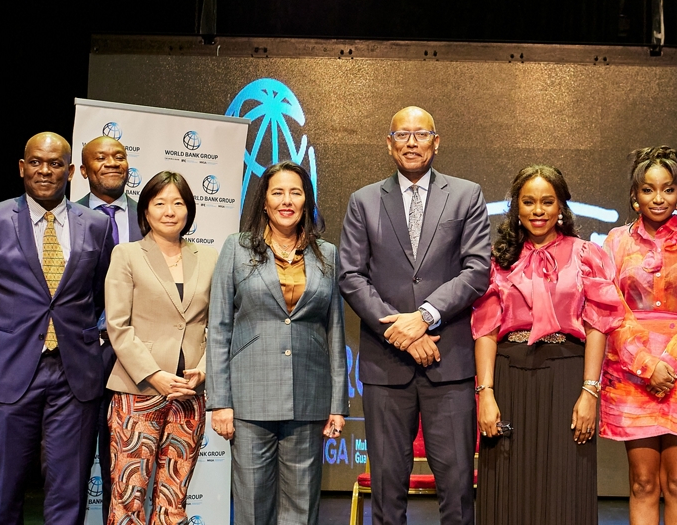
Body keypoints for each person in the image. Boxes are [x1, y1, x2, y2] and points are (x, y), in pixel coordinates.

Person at [338, 106, 491, 525]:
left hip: (449, 363)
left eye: (420, 134)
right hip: (386, 366)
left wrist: (424, 316)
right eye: (401, 135)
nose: (411, 142)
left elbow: (477, 270)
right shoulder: (364, 201)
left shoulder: (466, 195)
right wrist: (401, 332)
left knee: (458, 493)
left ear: (436, 142)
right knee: (387, 495)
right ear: (389, 144)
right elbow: (350, 276)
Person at [0, 132, 115, 525]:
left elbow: (100, 293)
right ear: (22, 167)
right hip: (8, 371)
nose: (45, 171)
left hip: (75, 375)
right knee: (4, 491)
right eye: (37, 162)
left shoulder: (96, 225)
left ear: (71, 171)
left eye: (55, 163)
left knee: (69, 493)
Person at [471, 164, 622, 525]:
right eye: (528, 202)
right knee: (508, 489)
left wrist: (590, 392)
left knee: (564, 487)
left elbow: (598, 326)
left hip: (567, 377)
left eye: (547, 201)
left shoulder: (586, 255)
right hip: (509, 378)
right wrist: (485, 394)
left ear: (561, 207)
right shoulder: (498, 260)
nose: (538, 210)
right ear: (516, 207)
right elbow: (486, 330)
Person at [208, 161, 348, 525]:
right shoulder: (236, 248)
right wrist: (220, 402)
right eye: (278, 193)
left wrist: (337, 404)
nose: (287, 201)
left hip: (308, 398)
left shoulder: (327, 253)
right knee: (253, 507)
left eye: (295, 193)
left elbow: (335, 331)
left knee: (302, 508)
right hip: (249, 401)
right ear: (265, 202)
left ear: (306, 201)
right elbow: (219, 327)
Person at [596, 146, 677, 525]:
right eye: (648, 190)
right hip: (630, 373)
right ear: (635, 196)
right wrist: (646, 364)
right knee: (643, 482)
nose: (658, 198)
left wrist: (669, 361)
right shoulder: (616, 241)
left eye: (668, 189)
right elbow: (610, 308)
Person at [102, 170, 215, 525]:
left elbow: (221, 325)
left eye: (178, 203)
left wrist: (204, 370)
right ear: (146, 210)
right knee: (128, 495)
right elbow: (118, 326)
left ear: (189, 210)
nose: (170, 211)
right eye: (160, 203)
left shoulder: (209, 257)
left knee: (173, 497)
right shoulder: (127, 254)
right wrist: (154, 375)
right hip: (138, 392)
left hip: (189, 394)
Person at [77, 134, 141, 514]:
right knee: (74, 464)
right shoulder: (66, 217)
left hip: (136, 357)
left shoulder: (149, 216)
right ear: (84, 170)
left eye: (119, 156)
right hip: (80, 354)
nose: (112, 162)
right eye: (101, 158)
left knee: (124, 466)